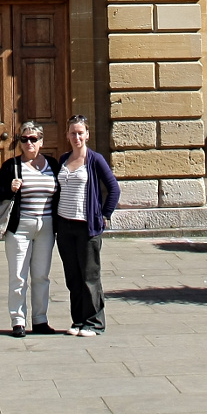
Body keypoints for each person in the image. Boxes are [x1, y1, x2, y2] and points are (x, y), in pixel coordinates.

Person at [53, 114, 120, 338]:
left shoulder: (95, 159)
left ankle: (94, 322)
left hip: (86, 227)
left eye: (80, 133)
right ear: (67, 135)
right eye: (73, 133)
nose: (76, 137)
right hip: (65, 226)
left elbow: (113, 188)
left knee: (90, 276)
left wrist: (104, 214)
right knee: (73, 277)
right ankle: (78, 320)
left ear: (87, 135)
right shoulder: (63, 159)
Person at [0, 120, 58, 338]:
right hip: (20, 228)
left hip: (46, 227)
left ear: (41, 142)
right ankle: (18, 321)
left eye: (33, 139)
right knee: (18, 276)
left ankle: (40, 319)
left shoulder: (52, 165)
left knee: (41, 276)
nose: (29, 143)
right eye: (24, 139)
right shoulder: (12, 166)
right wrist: (9, 188)